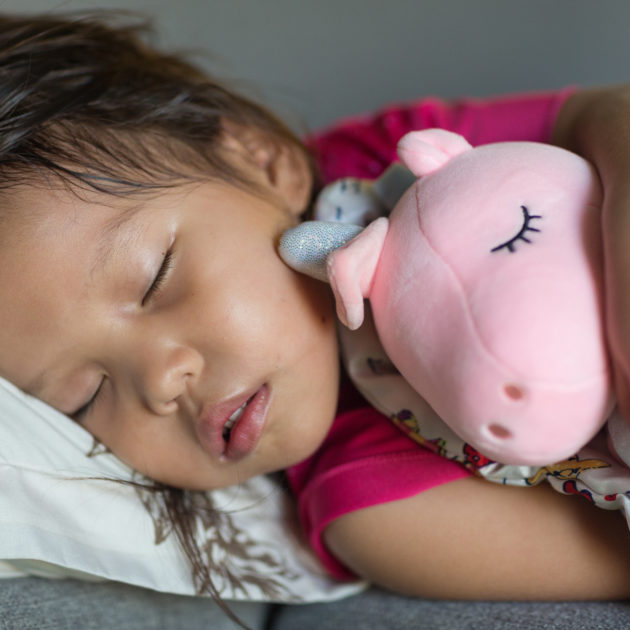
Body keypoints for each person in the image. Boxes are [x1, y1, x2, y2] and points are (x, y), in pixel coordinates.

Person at [0, 10, 630, 628]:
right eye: (86, 396)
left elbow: (600, 112)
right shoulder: (375, 509)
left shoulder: (386, 165)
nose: (163, 380)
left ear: (262, 160)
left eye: (156, 276)